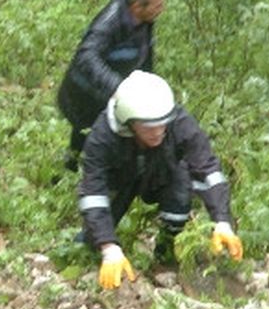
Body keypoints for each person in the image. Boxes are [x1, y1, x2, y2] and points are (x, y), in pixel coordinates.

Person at [77, 71, 243, 290]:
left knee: (178, 206)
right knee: (94, 236)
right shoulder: (102, 137)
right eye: (148, 127)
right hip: (118, 179)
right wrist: (108, 247)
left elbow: (208, 168)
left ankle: (166, 254)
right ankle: (89, 255)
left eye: (162, 124)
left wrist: (222, 221)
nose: (157, 132)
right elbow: (93, 193)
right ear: (130, 123)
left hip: (164, 172)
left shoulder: (179, 122)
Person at [56, 0, 166, 171]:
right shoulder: (111, 22)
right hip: (86, 93)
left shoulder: (145, 19)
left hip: (113, 90)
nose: (161, 9)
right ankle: (71, 173)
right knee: (86, 135)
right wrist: (118, 87)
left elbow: (145, 52)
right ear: (137, 6)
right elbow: (86, 57)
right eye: (157, 5)